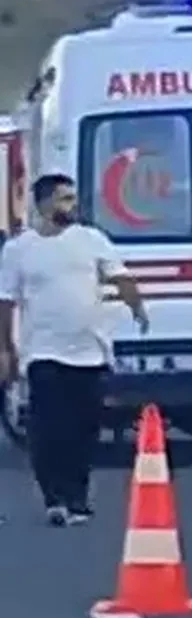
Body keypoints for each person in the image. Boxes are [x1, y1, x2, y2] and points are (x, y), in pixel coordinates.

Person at [0, 172, 149, 524]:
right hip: (43, 352)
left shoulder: (91, 240)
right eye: (64, 198)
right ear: (44, 204)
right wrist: (6, 348)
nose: (72, 205)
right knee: (48, 428)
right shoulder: (19, 249)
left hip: (90, 351)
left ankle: (77, 498)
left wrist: (136, 306)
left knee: (84, 428)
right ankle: (55, 498)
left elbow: (119, 275)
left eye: (72, 198)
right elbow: (5, 301)